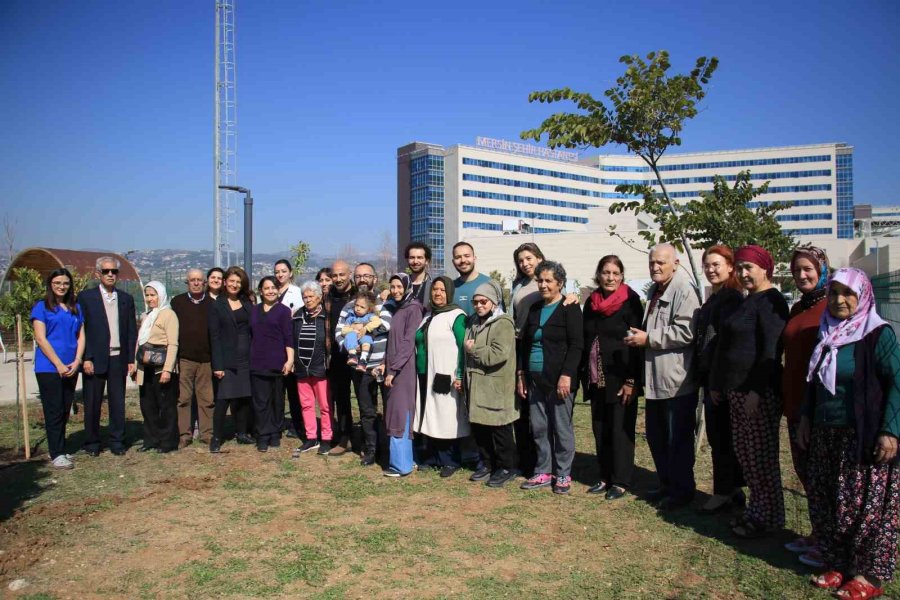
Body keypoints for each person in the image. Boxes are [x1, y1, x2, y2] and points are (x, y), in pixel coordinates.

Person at [798, 268, 900, 599]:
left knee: (864, 507)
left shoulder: (876, 334)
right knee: (828, 500)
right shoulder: (827, 332)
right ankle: (839, 563)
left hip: (864, 435)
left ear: (863, 295)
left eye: (848, 293)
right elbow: (813, 382)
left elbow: (898, 381)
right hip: (826, 433)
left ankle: (867, 574)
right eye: (833, 293)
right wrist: (805, 418)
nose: (839, 300)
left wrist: (890, 430)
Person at [710, 245, 789, 537]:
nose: (743, 273)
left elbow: (771, 349)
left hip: (758, 393)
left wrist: (757, 390)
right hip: (737, 391)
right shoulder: (748, 299)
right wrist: (721, 384)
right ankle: (757, 511)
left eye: (749, 268)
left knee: (761, 459)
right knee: (747, 457)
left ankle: (767, 518)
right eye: (740, 267)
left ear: (765, 268)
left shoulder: (771, 301)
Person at [624, 243, 700, 510]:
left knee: (677, 440)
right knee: (657, 437)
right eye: (652, 262)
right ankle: (667, 484)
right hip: (656, 379)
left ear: (675, 264)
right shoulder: (657, 290)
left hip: (676, 381)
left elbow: (686, 332)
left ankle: (682, 491)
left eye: (661, 263)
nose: (655, 267)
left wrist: (648, 339)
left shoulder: (683, 291)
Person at [781, 246, 830, 567]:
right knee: (805, 473)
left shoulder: (832, 306)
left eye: (808, 269)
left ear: (822, 269)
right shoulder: (798, 306)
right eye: (797, 270)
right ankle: (817, 532)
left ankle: (829, 542)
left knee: (822, 475)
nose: (802, 275)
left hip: (819, 407)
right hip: (794, 403)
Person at [581, 255, 644, 500]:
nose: (610, 277)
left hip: (621, 377)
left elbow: (637, 343)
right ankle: (604, 475)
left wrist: (632, 380)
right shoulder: (592, 302)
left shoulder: (631, 301)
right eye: (606, 272)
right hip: (597, 377)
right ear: (598, 274)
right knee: (601, 428)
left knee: (620, 429)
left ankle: (620, 481)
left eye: (615, 273)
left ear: (622, 276)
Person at [518, 261, 583, 494]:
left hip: (560, 381)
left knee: (561, 428)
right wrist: (521, 374)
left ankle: (563, 473)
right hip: (536, 380)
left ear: (560, 283)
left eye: (548, 281)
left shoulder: (570, 308)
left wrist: (567, 375)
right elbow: (524, 343)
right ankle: (543, 470)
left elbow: (577, 345)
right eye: (540, 280)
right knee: (539, 426)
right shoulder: (535, 309)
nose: (543, 285)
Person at [693, 246, 746, 514]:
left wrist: (716, 383)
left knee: (722, 437)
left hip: (721, 382)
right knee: (720, 437)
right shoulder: (715, 297)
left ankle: (723, 491)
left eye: (717, 264)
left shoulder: (732, 299)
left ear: (729, 267)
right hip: (710, 379)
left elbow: (725, 345)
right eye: (707, 265)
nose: (711, 269)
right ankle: (732, 489)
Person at [77, 257, 137, 456]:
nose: (110, 274)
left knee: (117, 402)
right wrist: (85, 357)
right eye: (106, 271)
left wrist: (130, 359)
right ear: (98, 274)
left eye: (114, 271)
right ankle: (92, 443)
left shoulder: (126, 299)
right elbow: (81, 330)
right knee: (92, 403)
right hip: (94, 359)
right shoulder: (86, 298)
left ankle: (117, 441)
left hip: (118, 358)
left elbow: (130, 332)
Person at [335, 267, 393, 467]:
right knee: (367, 411)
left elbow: (388, 326)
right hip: (360, 367)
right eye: (358, 276)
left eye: (367, 275)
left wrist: (365, 328)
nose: (362, 279)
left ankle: (386, 450)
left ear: (374, 279)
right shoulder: (349, 307)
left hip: (383, 366)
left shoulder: (383, 304)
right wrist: (351, 345)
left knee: (388, 410)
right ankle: (370, 450)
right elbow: (339, 332)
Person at [464, 281, 519, 487]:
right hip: (477, 386)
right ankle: (488, 464)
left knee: (500, 431)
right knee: (481, 430)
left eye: (483, 301)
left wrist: (474, 350)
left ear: (493, 303)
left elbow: (498, 354)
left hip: (496, 388)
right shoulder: (473, 322)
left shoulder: (503, 323)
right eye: (476, 302)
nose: (479, 305)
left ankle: (507, 467)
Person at [414, 276, 469, 477]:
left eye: (442, 290)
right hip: (422, 374)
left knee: (445, 416)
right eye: (435, 289)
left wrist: (461, 374)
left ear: (449, 293)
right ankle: (430, 457)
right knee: (428, 416)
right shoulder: (428, 316)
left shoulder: (456, 316)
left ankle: (450, 460)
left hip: (444, 375)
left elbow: (464, 346)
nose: (438, 293)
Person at [31, 268, 85, 469]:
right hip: (49, 368)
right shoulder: (41, 307)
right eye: (57, 283)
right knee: (53, 409)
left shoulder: (75, 308)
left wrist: (77, 359)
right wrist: (58, 364)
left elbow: (81, 335)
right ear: (50, 285)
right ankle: (56, 453)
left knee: (64, 409)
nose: (62, 287)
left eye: (65, 283)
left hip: (71, 366)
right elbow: (40, 338)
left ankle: (61, 447)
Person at [383, 273, 425, 477]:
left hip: (403, 369)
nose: (396, 290)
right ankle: (405, 460)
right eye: (393, 287)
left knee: (401, 413)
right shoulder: (395, 307)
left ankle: (402, 465)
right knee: (394, 412)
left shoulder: (413, 308)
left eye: (399, 286)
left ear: (407, 287)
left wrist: (394, 369)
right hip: (393, 367)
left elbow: (408, 343)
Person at [208, 266, 255, 452]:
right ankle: (216, 438)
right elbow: (215, 337)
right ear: (225, 282)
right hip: (227, 359)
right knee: (223, 400)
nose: (235, 284)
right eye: (232, 281)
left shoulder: (246, 302)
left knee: (244, 398)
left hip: (247, 357)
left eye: (238, 282)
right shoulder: (217, 305)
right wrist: (217, 365)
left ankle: (242, 433)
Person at [250, 276, 295, 453]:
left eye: (273, 288)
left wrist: (290, 360)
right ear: (261, 291)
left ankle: (275, 432)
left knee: (277, 400)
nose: (270, 291)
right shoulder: (253, 310)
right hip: (257, 362)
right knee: (261, 401)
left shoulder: (284, 311)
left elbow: (288, 336)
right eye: (266, 288)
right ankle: (263, 435)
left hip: (278, 362)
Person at [170, 269, 215, 448]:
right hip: (185, 359)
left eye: (199, 280)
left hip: (206, 359)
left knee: (207, 399)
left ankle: (207, 434)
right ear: (187, 283)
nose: (196, 283)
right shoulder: (177, 302)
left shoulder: (212, 304)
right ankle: (184, 435)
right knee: (184, 398)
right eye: (192, 280)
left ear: (205, 283)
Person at [134, 281, 179, 453]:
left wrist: (167, 369)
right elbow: (140, 342)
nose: (150, 298)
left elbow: (173, 344)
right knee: (148, 405)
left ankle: (167, 441)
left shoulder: (169, 315)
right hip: (145, 367)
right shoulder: (147, 316)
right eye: (147, 295)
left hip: (161, 367)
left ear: (161, 295)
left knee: (166, 406)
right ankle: (150, 439)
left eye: (153, 295)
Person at [292, 281, 334, 456]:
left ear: (319, 297)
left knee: (324, 405)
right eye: (305, 297)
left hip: (320, 367)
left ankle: (326, 438)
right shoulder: (297, 315)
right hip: (302, 367)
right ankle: (311, 438)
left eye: (311, 296)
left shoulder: (326, 316)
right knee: (306, 405)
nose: (307, 300)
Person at [325, 260, 356, 455]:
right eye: (334, 275)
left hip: (360, 355)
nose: (338, 279)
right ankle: (344, 437)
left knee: (365, 398)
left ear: (349, 274)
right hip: (336, 355)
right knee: (341, 398)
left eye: (341, 275)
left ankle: (369, 440)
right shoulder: (327, 296)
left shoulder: (359, 295)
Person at [274, 260, 304, 441]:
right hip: (275, 347)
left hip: (291, 345)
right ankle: (277, 423)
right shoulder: (270, 291)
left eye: (283, 271)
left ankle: (296, 423)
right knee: (277, 390)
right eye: (277, 271)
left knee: (293, 390)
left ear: (290, 273)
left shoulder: (297, 292)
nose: (280, 275)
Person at [340, 291, 382, 370]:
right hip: (354, 340)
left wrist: (366, 328)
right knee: (350, 336)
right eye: (357, 305)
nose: (358, 309)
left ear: (368, 309)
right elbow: (343, 330)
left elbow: (378, 321)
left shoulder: (369, 316)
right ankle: (352, 355)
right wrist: (353, 330)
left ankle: (363, 360)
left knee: (366, 339)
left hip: (364, 336)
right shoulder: (351, 317)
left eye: (362, 307)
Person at [450, 242, 493, 317]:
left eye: (467, 256)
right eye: (458, 257)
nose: (463, 260)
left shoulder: (489, 284)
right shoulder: (450, 288)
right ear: (453, 262)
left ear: (474, 258)